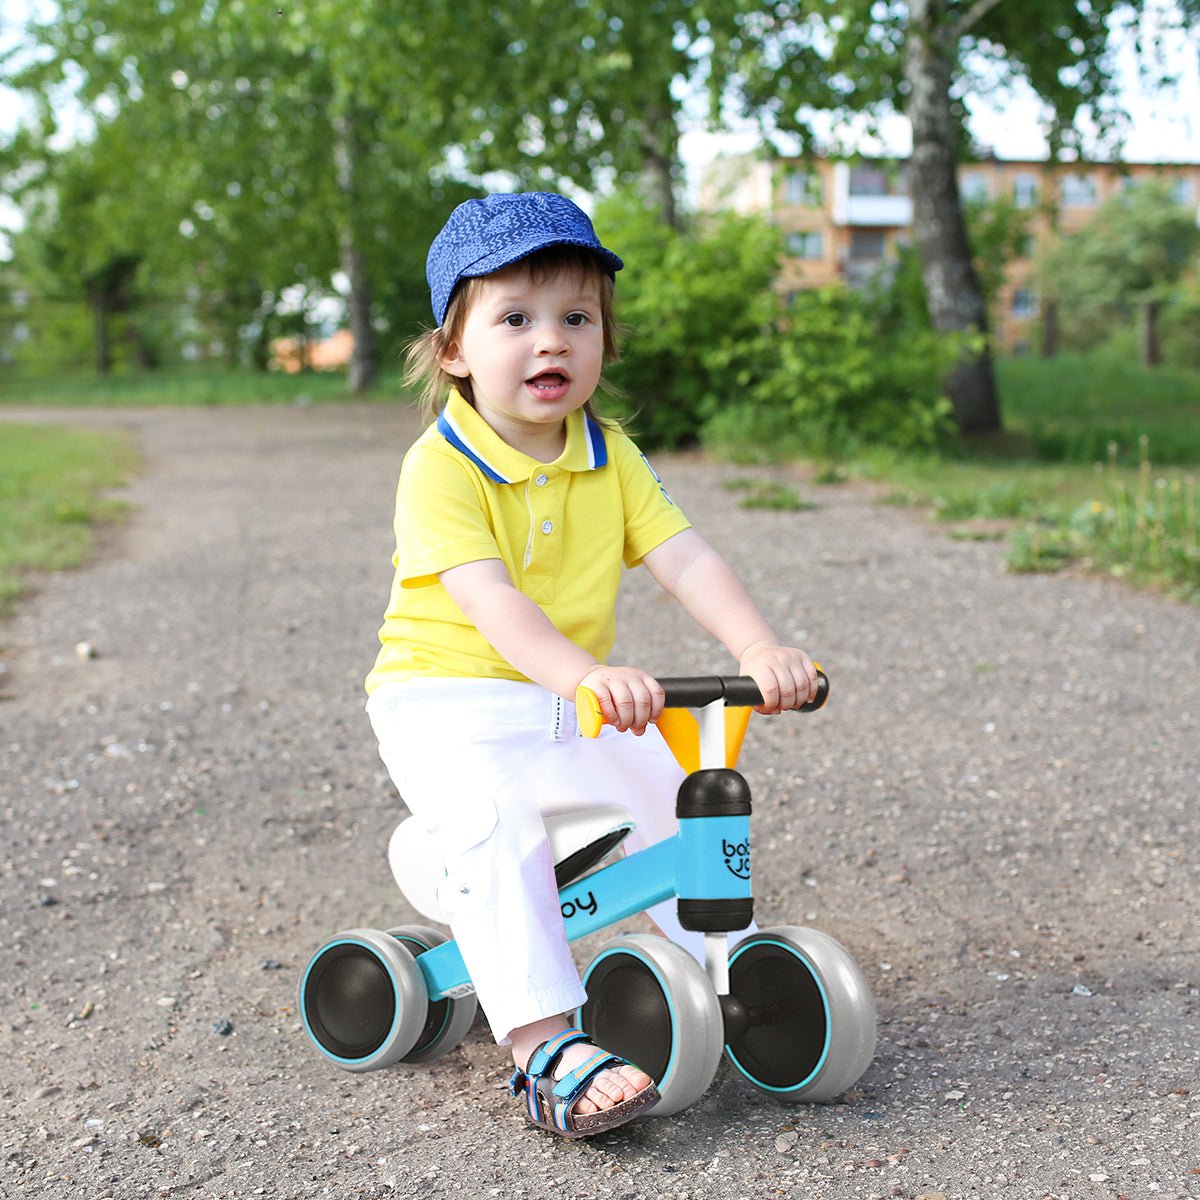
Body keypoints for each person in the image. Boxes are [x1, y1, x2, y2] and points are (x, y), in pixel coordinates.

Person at [364, 191, 820, 1138]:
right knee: (494, 823)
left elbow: (684, 557)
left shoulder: (613, 456)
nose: (551, 343)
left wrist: (758, 647)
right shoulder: (440, 466)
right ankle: (541, 1044)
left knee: (675, 781)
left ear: (603, 339)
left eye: (577, 318)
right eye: (516, 319)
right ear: (454, 348)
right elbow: (492, 602)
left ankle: (724, 970)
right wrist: (579, 675)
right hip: (447, 702)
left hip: (561, 697)